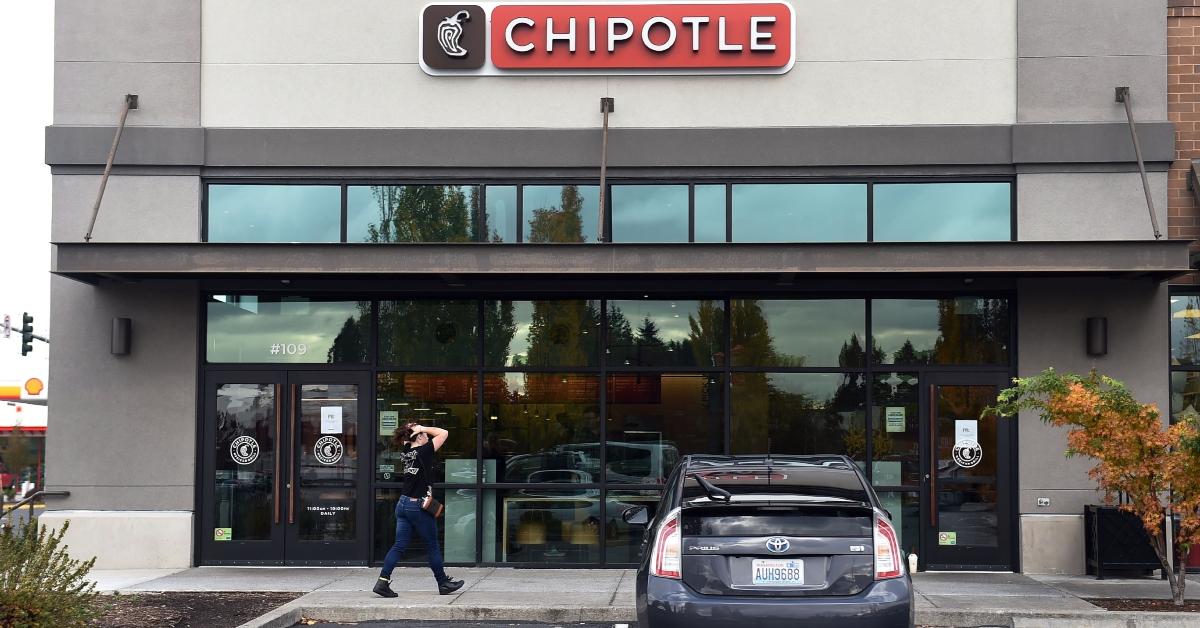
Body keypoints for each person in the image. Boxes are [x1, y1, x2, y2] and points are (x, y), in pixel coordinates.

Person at [373, 422, 465, 597]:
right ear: (420, 437)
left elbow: (407, 440)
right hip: (416, 506)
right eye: (425, 435)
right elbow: (444, 432)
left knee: (399, 545)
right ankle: (443, 582)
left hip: (403, 504)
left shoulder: (406, 452)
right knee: (432, 546)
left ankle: (382, 582)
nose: (428, 437)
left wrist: (413, 429)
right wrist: (421, 428)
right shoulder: (424, 452)